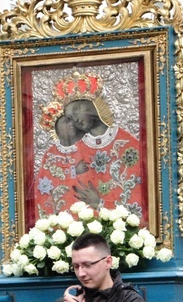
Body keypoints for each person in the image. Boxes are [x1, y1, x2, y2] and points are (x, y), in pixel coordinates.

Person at [36, 72, 145, 217]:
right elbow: (57, 186)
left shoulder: (127, 143)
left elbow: (138, 193)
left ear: (93, 106)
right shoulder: (75, 150)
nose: (75, 119)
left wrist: (100, 203)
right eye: (69, 118)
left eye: (76, 110)